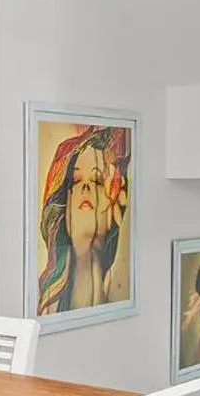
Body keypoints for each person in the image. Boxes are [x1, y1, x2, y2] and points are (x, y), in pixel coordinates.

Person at [33, 124, 131, 315]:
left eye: (97, 180)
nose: (86, 188)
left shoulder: (120, 289)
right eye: (76, 181)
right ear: (65, 203)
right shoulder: (43, 304)